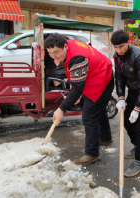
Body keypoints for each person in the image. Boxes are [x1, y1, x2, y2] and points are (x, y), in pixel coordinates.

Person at [46, 33, 114, 165]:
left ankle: (92, 153)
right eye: (50, 53)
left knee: (89, 116)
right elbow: (77, 83)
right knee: (98, 109)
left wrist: (61, 109)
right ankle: (105, 137)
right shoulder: (68, 44)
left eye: (56, 52)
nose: (53, 56)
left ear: (65, 46)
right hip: (97, 74)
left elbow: (77, 89)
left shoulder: (77, 58)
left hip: (102, 79)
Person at [111, 30, 140, 177]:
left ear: (128, 43)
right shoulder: (117, 57)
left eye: (121, 46)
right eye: (115, 47)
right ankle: (137, 145)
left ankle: (139, 161)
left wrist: (137, 108)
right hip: (133, 89)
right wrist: (120, 97)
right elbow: (119, 78)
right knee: (126, 120)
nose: (118, 50)